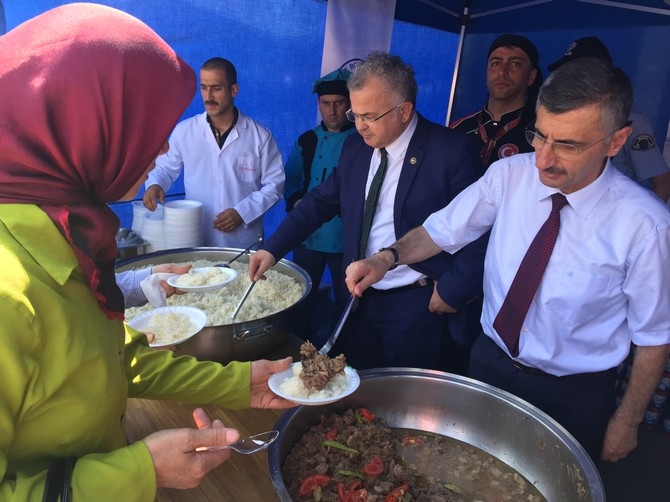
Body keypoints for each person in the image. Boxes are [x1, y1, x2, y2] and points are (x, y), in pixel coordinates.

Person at [0, 4, 295, 500]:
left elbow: (112, 358)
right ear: (86, 128)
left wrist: (240, 383)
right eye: (145, 126)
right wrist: (140, 472)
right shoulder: (10, 296)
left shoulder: (71, 241)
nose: (161, 152)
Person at [345, 57, 670, 462]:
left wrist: (627, 421)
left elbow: (653, 336)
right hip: (490, 363)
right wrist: (385, 258)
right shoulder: (510, 174)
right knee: (462, 470)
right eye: (540, 136)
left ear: (616, 142)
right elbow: (439, 231)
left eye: (568, 144)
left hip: (574, 391)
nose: (544, 159)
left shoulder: (646, 225)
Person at [249, 51, 487, 371]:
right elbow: (320, 202)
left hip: (415, 302)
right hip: (358, 296)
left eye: (369, 116)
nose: (359, 126)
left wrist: (451, 292)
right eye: (355, 114)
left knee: (404, 395)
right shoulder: (356, 147)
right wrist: (272, 249)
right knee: (358, 385)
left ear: (404, 111)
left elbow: (480, 231)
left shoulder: (452, 151)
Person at [143, 57, 285, 248]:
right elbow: (164, 169)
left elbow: (274, 185)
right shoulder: (185, 131)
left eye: (216, 88)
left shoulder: (259, 136)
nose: (208, 96)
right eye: (203, 87)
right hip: (195, 235)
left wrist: (242, 212)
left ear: (233, 90)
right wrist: (155, 185)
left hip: (242, 241)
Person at [548, 36, 670, 202]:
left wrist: (640, 224)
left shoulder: (630, 123)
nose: (568, 81)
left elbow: (662, 182)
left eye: (577, 74)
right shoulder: (558, 121)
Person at [283, 68, 356, 339]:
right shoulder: (307, 140)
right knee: (301, 293)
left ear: (349, 104)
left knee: (345, 297)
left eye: (338, 103)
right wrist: (296, 200)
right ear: (318, 105)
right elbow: (291, 179)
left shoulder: (360, 141)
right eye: (326, 104)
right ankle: (297, 344)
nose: (333, 110)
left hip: (344, 236)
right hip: (309, 233)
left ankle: (340, 345)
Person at [450, 34, 542, 168]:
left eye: (515, 64)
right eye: (496, 63)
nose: (502, 72)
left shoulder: (541, 133)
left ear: (531, 77)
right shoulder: (458, 129)